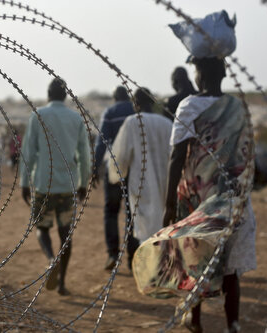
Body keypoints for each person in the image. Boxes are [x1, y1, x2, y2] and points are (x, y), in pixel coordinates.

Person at [132, 57, 256, 333]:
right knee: (231, 266)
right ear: (223, 73)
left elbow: (177, 155)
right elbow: (247, 153)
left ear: (199, 73)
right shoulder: (238, 107)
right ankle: (232, 325)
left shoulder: (190, 106)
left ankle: (195, 320)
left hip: (198, 197)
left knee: (195, 256)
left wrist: (169, 204)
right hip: (231, 196)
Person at [19, 78, 91, 296]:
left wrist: (24, 182)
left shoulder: (38, 115)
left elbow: (29, 152)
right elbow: (84, 156)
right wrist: (83, 182)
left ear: (48, 95)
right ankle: (61, 284)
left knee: (41, 228)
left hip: (43, 183)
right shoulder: (76, 118)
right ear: (66, 96)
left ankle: (51, 259)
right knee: (65, 234)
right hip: (67, 185)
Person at [107, 87, 173, 270]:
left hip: (141, 182)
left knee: (143, 225)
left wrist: (117, 174)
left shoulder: (132, 123)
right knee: (162, 223)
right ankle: (162, 265)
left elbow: (119, 157)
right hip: (165, 182)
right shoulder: (166, 123)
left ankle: (148, 269)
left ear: (135, 103)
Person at [93, 86, 138, 270]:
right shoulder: (136, 110)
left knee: (111, 212)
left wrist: (95, 166)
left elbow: (101, 141)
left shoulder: (110, 112)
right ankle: (132, 257)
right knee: (131, 213)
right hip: (134, 166)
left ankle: (112, 254)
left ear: (114, 97)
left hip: (114, 166)